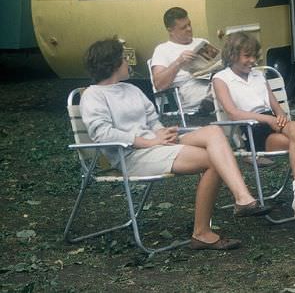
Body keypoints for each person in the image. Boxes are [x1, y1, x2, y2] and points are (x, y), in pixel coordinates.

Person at [80, 38, 270, 251]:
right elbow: (102, 133)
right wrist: (149, 141)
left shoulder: (131, 89)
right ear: (112, 63)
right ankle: (202, 232)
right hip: (131, 156)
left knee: (214, 131)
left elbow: (152, 121)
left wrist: (163, 132)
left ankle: (242, 198)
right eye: (124, 58)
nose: (128, 63)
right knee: (213, 161)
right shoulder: (93, 95)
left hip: (155, 144)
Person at [212, 32, 295, 226]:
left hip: (274, 123)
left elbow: (277, 109)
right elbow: (233, 113)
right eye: (247, 56)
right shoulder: (221, 79)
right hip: (252, 129)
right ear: (232, 55)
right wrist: (267, 119)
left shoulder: (258, 75)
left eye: (254, 56)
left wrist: (280, 116)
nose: (252, 61)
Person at [151, 7, 214, 113]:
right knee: (226, 91)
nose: (189, 29)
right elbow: (159, 85)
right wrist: (178, 62)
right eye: (183, 27)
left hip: (210, 82)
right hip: (188, 89)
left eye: (189, 24)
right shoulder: (162, 50)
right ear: (170, 30)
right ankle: (212, 99)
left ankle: (212, 97)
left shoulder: (202, 42)